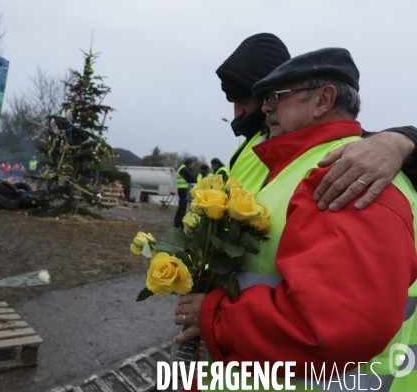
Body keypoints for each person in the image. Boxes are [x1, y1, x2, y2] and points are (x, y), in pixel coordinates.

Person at [175, 48, 417, 390]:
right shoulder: (290, 162)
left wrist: (214, 315)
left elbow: (327, 325)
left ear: (323, 100)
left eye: (275, 96)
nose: (265, 107)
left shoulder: (346, 173)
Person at [216, 33, 417, 208]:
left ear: (323, 100)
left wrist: (400, 142)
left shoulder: (358, 159)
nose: (238, 113)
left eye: (273, 96)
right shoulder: (250, 146)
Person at [174, 158, 196, 228]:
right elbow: (191, 179)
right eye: (193, 164)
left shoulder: (183, 168)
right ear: (190, 163)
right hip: (183, 190)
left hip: (182, 189)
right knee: (183, 207)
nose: (193, 166)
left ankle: (178, 222)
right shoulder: (183, 169)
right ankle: (180, 223)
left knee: (182, 207)